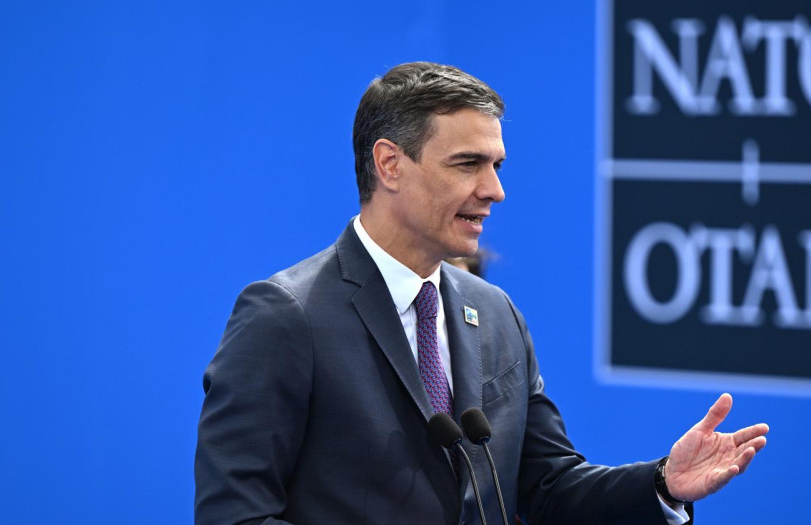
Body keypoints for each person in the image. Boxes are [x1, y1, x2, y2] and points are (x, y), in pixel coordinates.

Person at [195, 62, 768, 525]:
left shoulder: (495, 314)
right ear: (390, 164)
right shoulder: (286, 315)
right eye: (468, 164)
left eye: (495, 164)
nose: (494, 191)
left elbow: (548, 487)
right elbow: (234, 515)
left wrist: (662, 482)